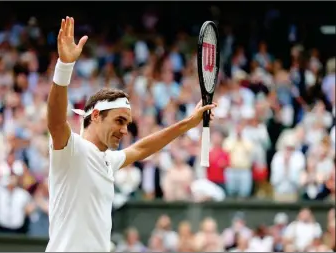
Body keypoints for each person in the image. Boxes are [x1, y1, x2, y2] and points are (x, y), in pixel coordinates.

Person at [46, 16, 217, 252]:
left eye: (127, 123)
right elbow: (55, 122)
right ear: (95, 116)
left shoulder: (108, 160)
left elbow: (141, 148)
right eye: (119, 120)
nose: (125, 130)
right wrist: (64, 67)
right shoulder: (72, 149)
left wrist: (188, 123)